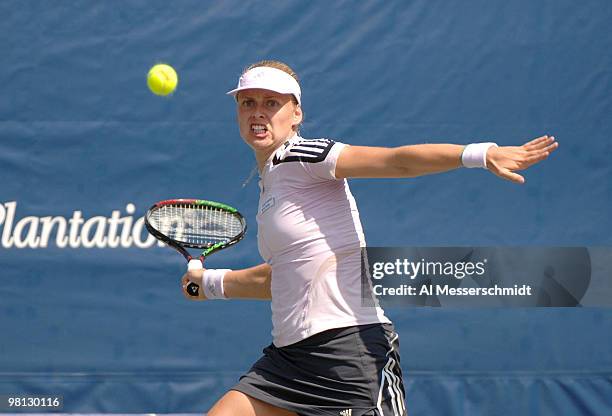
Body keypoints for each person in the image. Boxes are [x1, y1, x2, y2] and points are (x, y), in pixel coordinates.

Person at [181, 60, 558, 416]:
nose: (257, 112)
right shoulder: (271, 187)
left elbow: (396, 161)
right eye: (248, 103)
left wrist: (478, 154)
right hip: (287, 360)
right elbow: (286, 277)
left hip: (349, 355)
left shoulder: (304, 155)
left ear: (296, 114)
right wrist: (210, 283)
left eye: (271, 103)